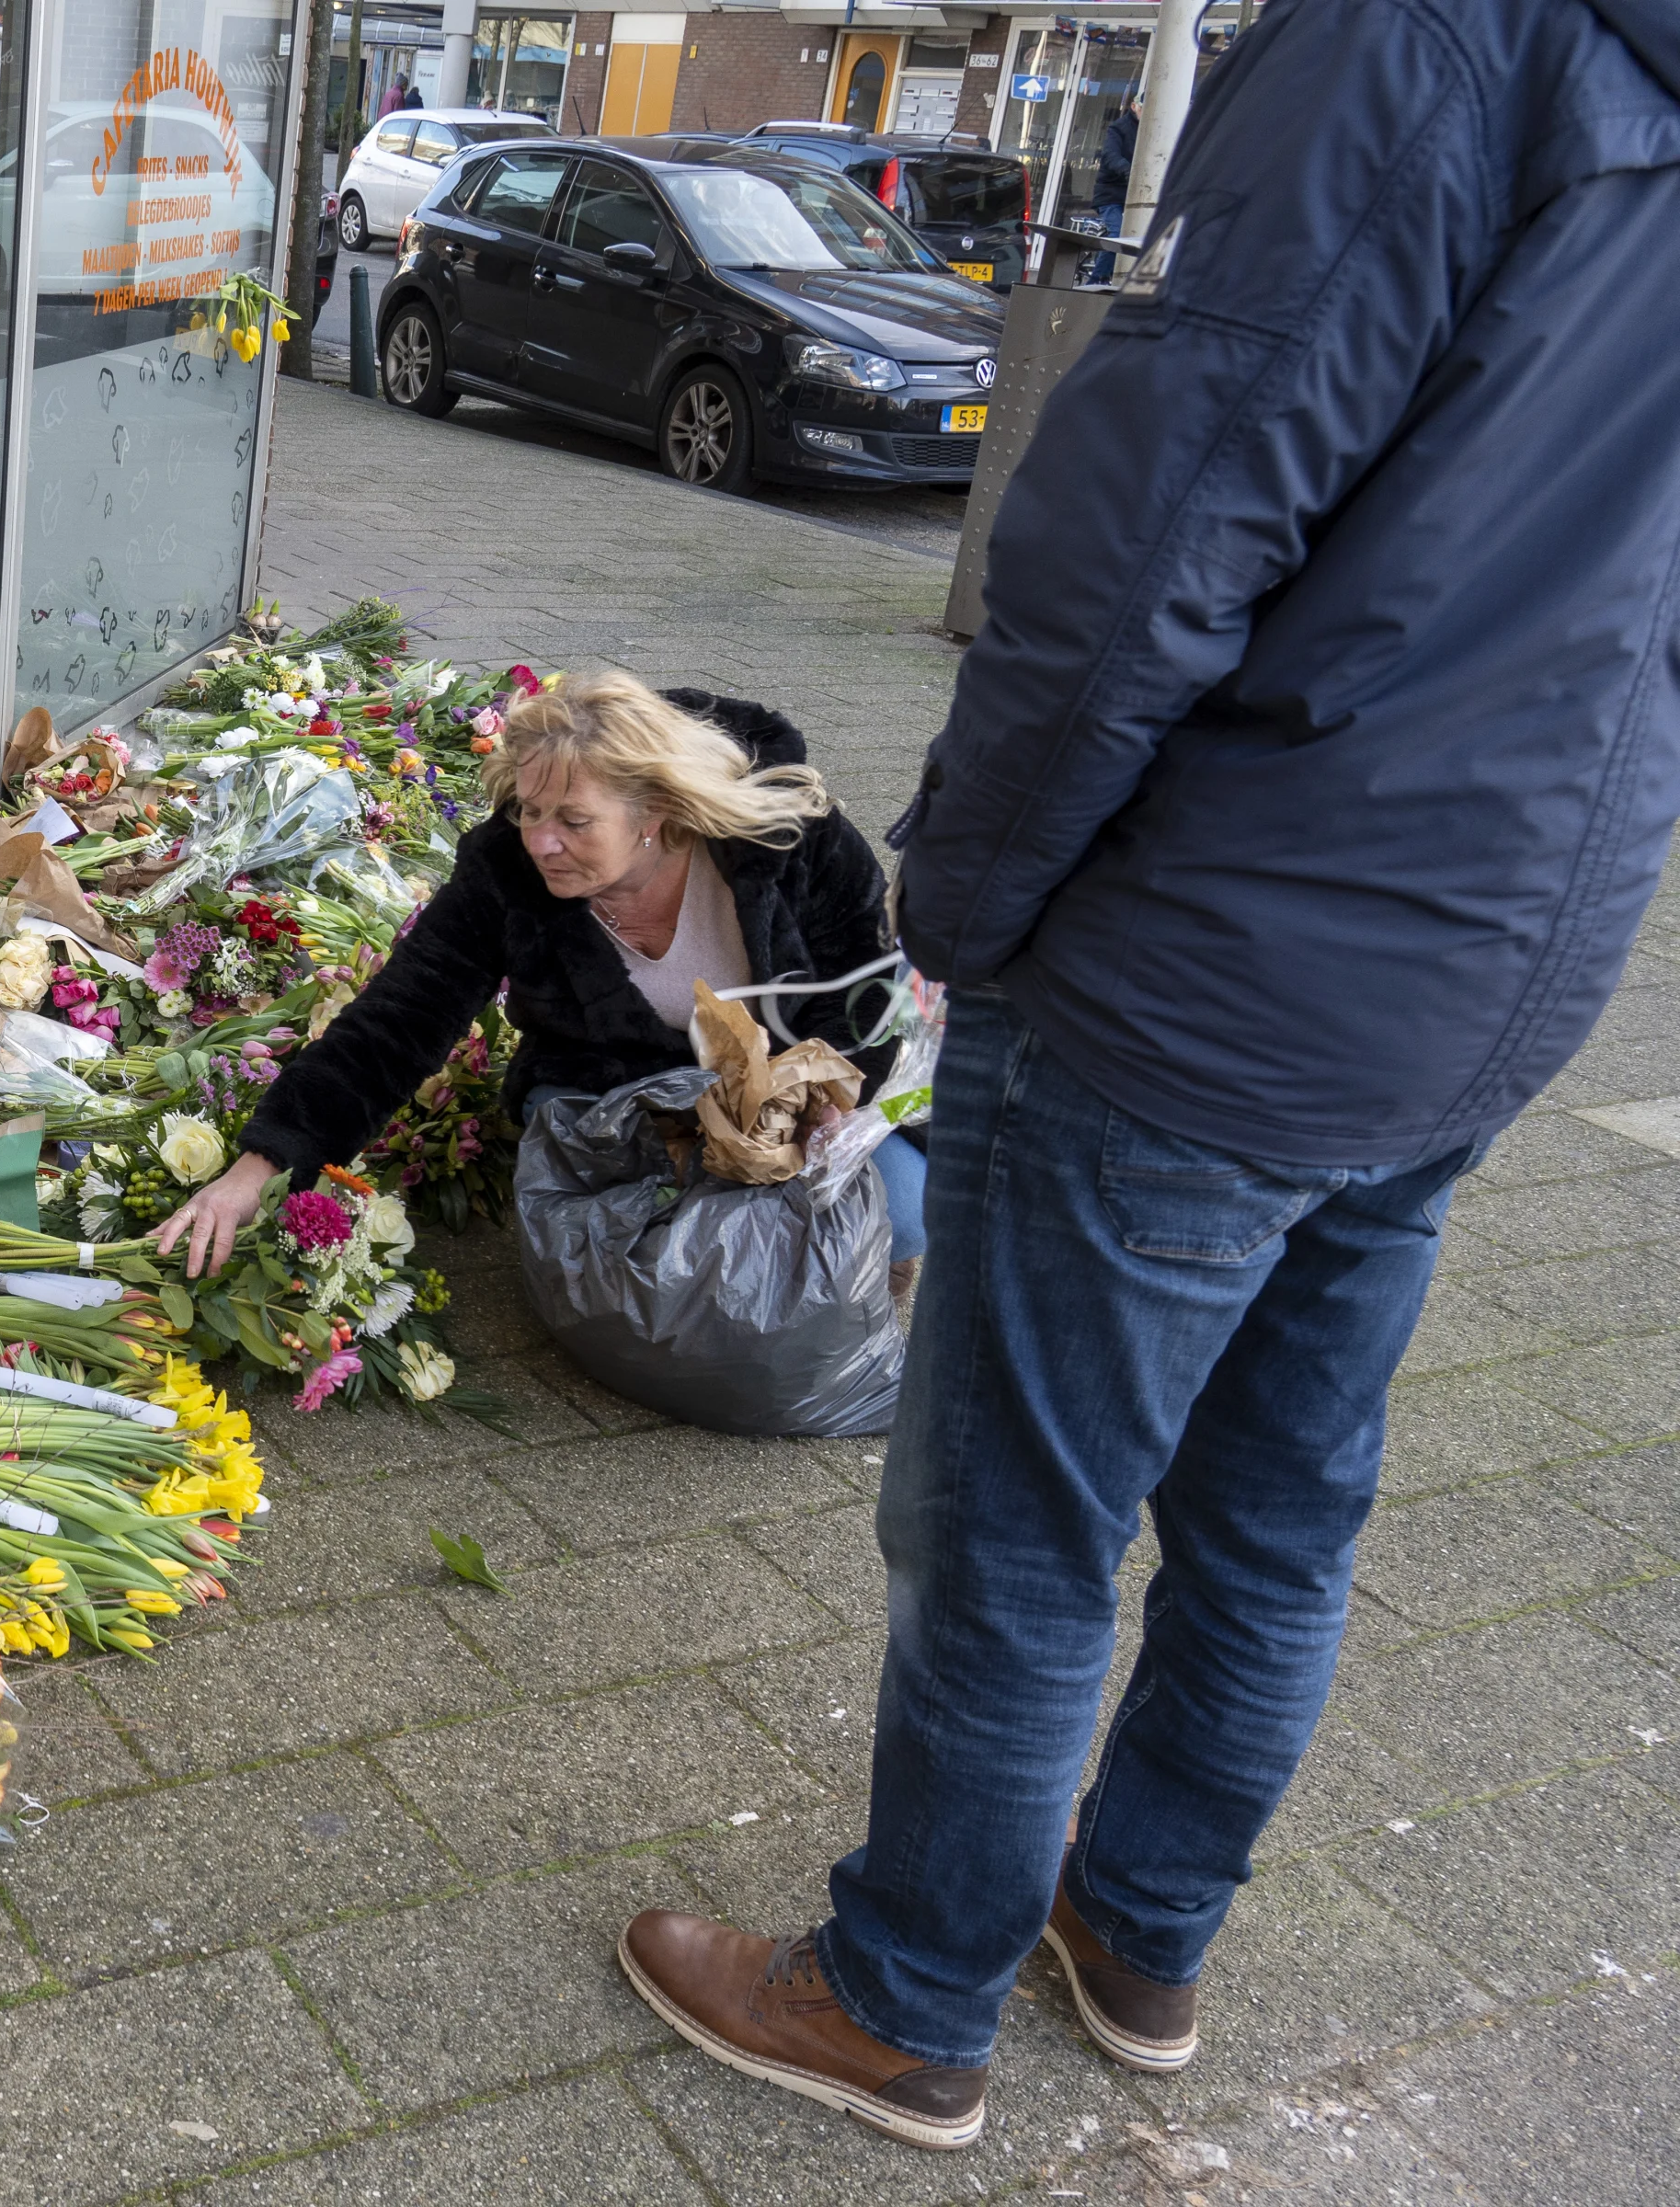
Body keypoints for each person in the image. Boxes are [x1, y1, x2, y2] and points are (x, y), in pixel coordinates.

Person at [616, 0, 1680, 2153]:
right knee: (1280, 1504)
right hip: (1494, 941)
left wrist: (969, 891)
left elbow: (1150, 528)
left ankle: (904, 1991)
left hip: (1218, 951)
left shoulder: (1428, 46)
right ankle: (1136, 1927)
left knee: (1014, 1519)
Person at [152, 670, 921, 1282]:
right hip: (612, 1097)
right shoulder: (505, 872)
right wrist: (263, 1165)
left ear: (654, 812)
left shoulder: (789, 843)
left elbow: (870, 999)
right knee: (623, 1259)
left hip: (789, 1105)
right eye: (529, 811)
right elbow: (398, 1022)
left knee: (905, 1212)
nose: (543, 844)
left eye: (574, 821)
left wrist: (822, 1110)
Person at [1086, 92, 1139, 280]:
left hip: (1137, 194)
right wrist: (1127, 170)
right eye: (1142, 109)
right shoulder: (1118, 129)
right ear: (1134, 107)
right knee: (1117, 234)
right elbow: (1110, 155)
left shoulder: (1155, 129)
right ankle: (1095, 281)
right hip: (1111, 194)